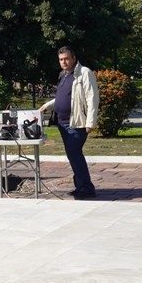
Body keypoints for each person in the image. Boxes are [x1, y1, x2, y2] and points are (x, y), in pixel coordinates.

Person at [40, 47, 99, 199]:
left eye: (66, 58)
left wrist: (91, 122)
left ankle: (86, 188)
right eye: (61, 59)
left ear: (73, 58)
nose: (64, 62)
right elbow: (63, 96)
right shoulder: (63, 75)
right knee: (73, 155)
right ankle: (81, 186)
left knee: (74, 153)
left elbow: (92, 98)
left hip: (77, 122)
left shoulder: (84, 72)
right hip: (62, 123)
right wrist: (48, 105)